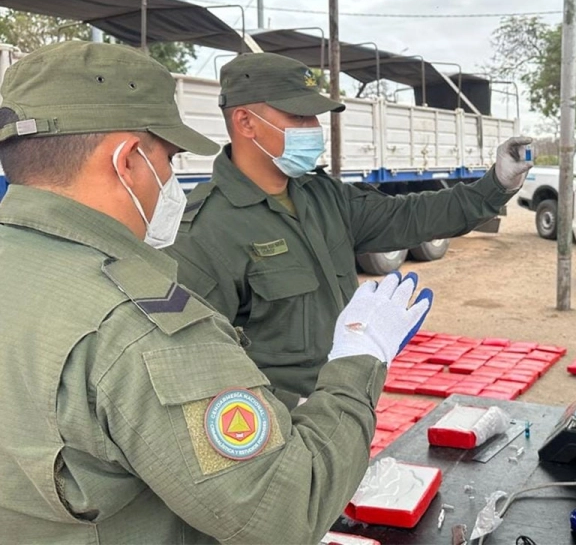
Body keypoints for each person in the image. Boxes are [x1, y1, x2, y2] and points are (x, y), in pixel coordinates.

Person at [0, 40, 432, 543]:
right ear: (128, 160)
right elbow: (281, 510)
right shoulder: (141, 328)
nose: (169, 178)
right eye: (168, 157)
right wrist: (360, 359)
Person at [165, 52, 533, 407]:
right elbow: (197, 366)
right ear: (246, 122)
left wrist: (495, 184)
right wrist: (288, 408)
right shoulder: (206, 231)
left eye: (315, 118)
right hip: (281, 434)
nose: (314, 129)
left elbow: (410, 216)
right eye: (300, 116)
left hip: (346, 408)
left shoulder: (323, 196)